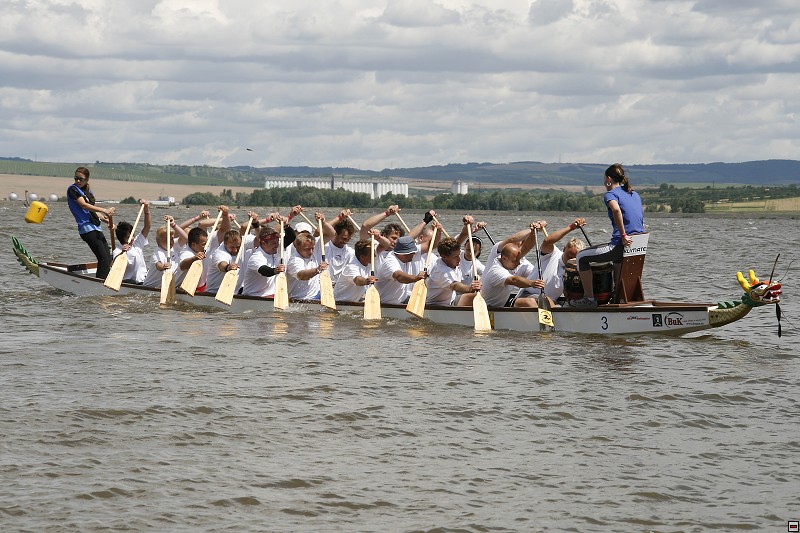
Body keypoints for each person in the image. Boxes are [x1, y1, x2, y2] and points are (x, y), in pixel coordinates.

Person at [569, 163, 645, 307]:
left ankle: (589, 299)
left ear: (609, 179)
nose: (604, 182)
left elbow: (616, 210)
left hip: (621, 244)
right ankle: (617, 297)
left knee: (581, 257)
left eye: (604, 178)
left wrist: (623, 235)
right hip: (638, 243)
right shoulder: (634, 194)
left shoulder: (611, 194)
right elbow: (639, 215)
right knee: (616, 261)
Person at [517, 218, 586, 303]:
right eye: (569, 255)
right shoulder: (552, 254)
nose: (571, 259)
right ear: (564, 249)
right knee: (544, 301)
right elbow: (547, 241)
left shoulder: (578, 270)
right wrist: (571, 227)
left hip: (550, 302)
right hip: (528, 296)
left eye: (575, 257)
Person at [480, 222, 547, 308]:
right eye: (515, 261)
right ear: (504, 258)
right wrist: (531, 283)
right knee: (529, 302)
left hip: (503, 303)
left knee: (535, 300)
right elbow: (513, 280)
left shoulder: (513, 260)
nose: (518, 263)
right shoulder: (496, 270)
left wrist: (534, 232)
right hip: (486, 306)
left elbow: (526, 248)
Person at [66, 167, 116, 278]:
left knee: (108, 258)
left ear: (87, 180)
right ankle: (101, 282)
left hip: (96, 227)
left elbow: (92, 210)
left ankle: (106, 279)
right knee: (103, 258)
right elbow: (84, 205)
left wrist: (106, 220)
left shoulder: (88, 192)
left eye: (81, 179)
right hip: (86, 229)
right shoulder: (73, 190)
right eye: (76, 178)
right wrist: (104, 210)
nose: (78, 181)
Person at [174, 205, 231, 292]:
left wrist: (225, 215)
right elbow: (182, 265)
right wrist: (194, 258)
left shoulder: (206, 247)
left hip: (201, 287)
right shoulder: (187, 252)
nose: (206, 246)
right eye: (204, 244)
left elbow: (224, 230)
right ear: (194, 245)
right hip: (181, 287)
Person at [425, 225, 482, 307]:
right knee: (471, 297)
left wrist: (468, 225)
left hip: (451, 300)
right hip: (438, 305)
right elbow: (455, 285)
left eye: (459, 255)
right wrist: (470, 288)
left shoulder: (451, 260)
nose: (459, 259)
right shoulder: (442, 271)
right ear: (444, 256)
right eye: (455, 257)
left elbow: (462, 235)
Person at [374, 234, 430, 305]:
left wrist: (438, 233)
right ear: (403, 253)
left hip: (401, 301)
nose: (414, 254)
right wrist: (416, 278)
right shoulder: (390, 262)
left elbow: (429, 245)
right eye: (412, 252)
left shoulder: (407, 255)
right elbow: (399, 276)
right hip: (385, 303)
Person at [141, 215, 189, 289]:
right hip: (151, 287)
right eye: (166, 239)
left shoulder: (174, 247)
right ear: (158, 241)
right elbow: (158, 265)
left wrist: (173, 225)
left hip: (167, 287)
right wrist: (163, 267)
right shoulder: (157, 253)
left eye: (171, 239)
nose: (170, 242)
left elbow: (186, 239)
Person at [111, 200, 152, 284]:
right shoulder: (118, 250)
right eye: (128, 237)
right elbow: (112, 265)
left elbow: (147, 226)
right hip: (128, 282)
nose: (132, 238)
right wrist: (122, 252)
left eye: (133, 235)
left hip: (143, 280)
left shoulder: (137, 243)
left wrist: (146, 209)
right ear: (122, 238)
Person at [241, 224, 287, 297]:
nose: (277, 245)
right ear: (263, 243)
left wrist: (286, 226)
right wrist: (275, 270)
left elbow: (291, 237)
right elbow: (264, 271)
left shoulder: (275, 250)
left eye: (277, 242)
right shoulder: (256, 257)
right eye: (273, 243)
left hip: (271, 295)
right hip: (253, 296)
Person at [286, 230, 329, 300]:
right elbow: (301, 275)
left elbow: (330, 233)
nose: (311, 252)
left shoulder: (313, 252)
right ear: (298, 247)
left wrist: (323, 224)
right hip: (300, 299)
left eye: (312, 248)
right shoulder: (294, 260)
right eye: (307, 249)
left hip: (316, 295)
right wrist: (317, 270)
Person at [334, 237, 379, 303]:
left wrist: (378, 236)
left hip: (353, 302)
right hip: (340, 302)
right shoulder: (351, 267)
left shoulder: (369, 264)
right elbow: (357, 280)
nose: (375, 255)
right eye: (371, 254)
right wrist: (366, 281)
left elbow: (385, 245)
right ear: (362, 257)